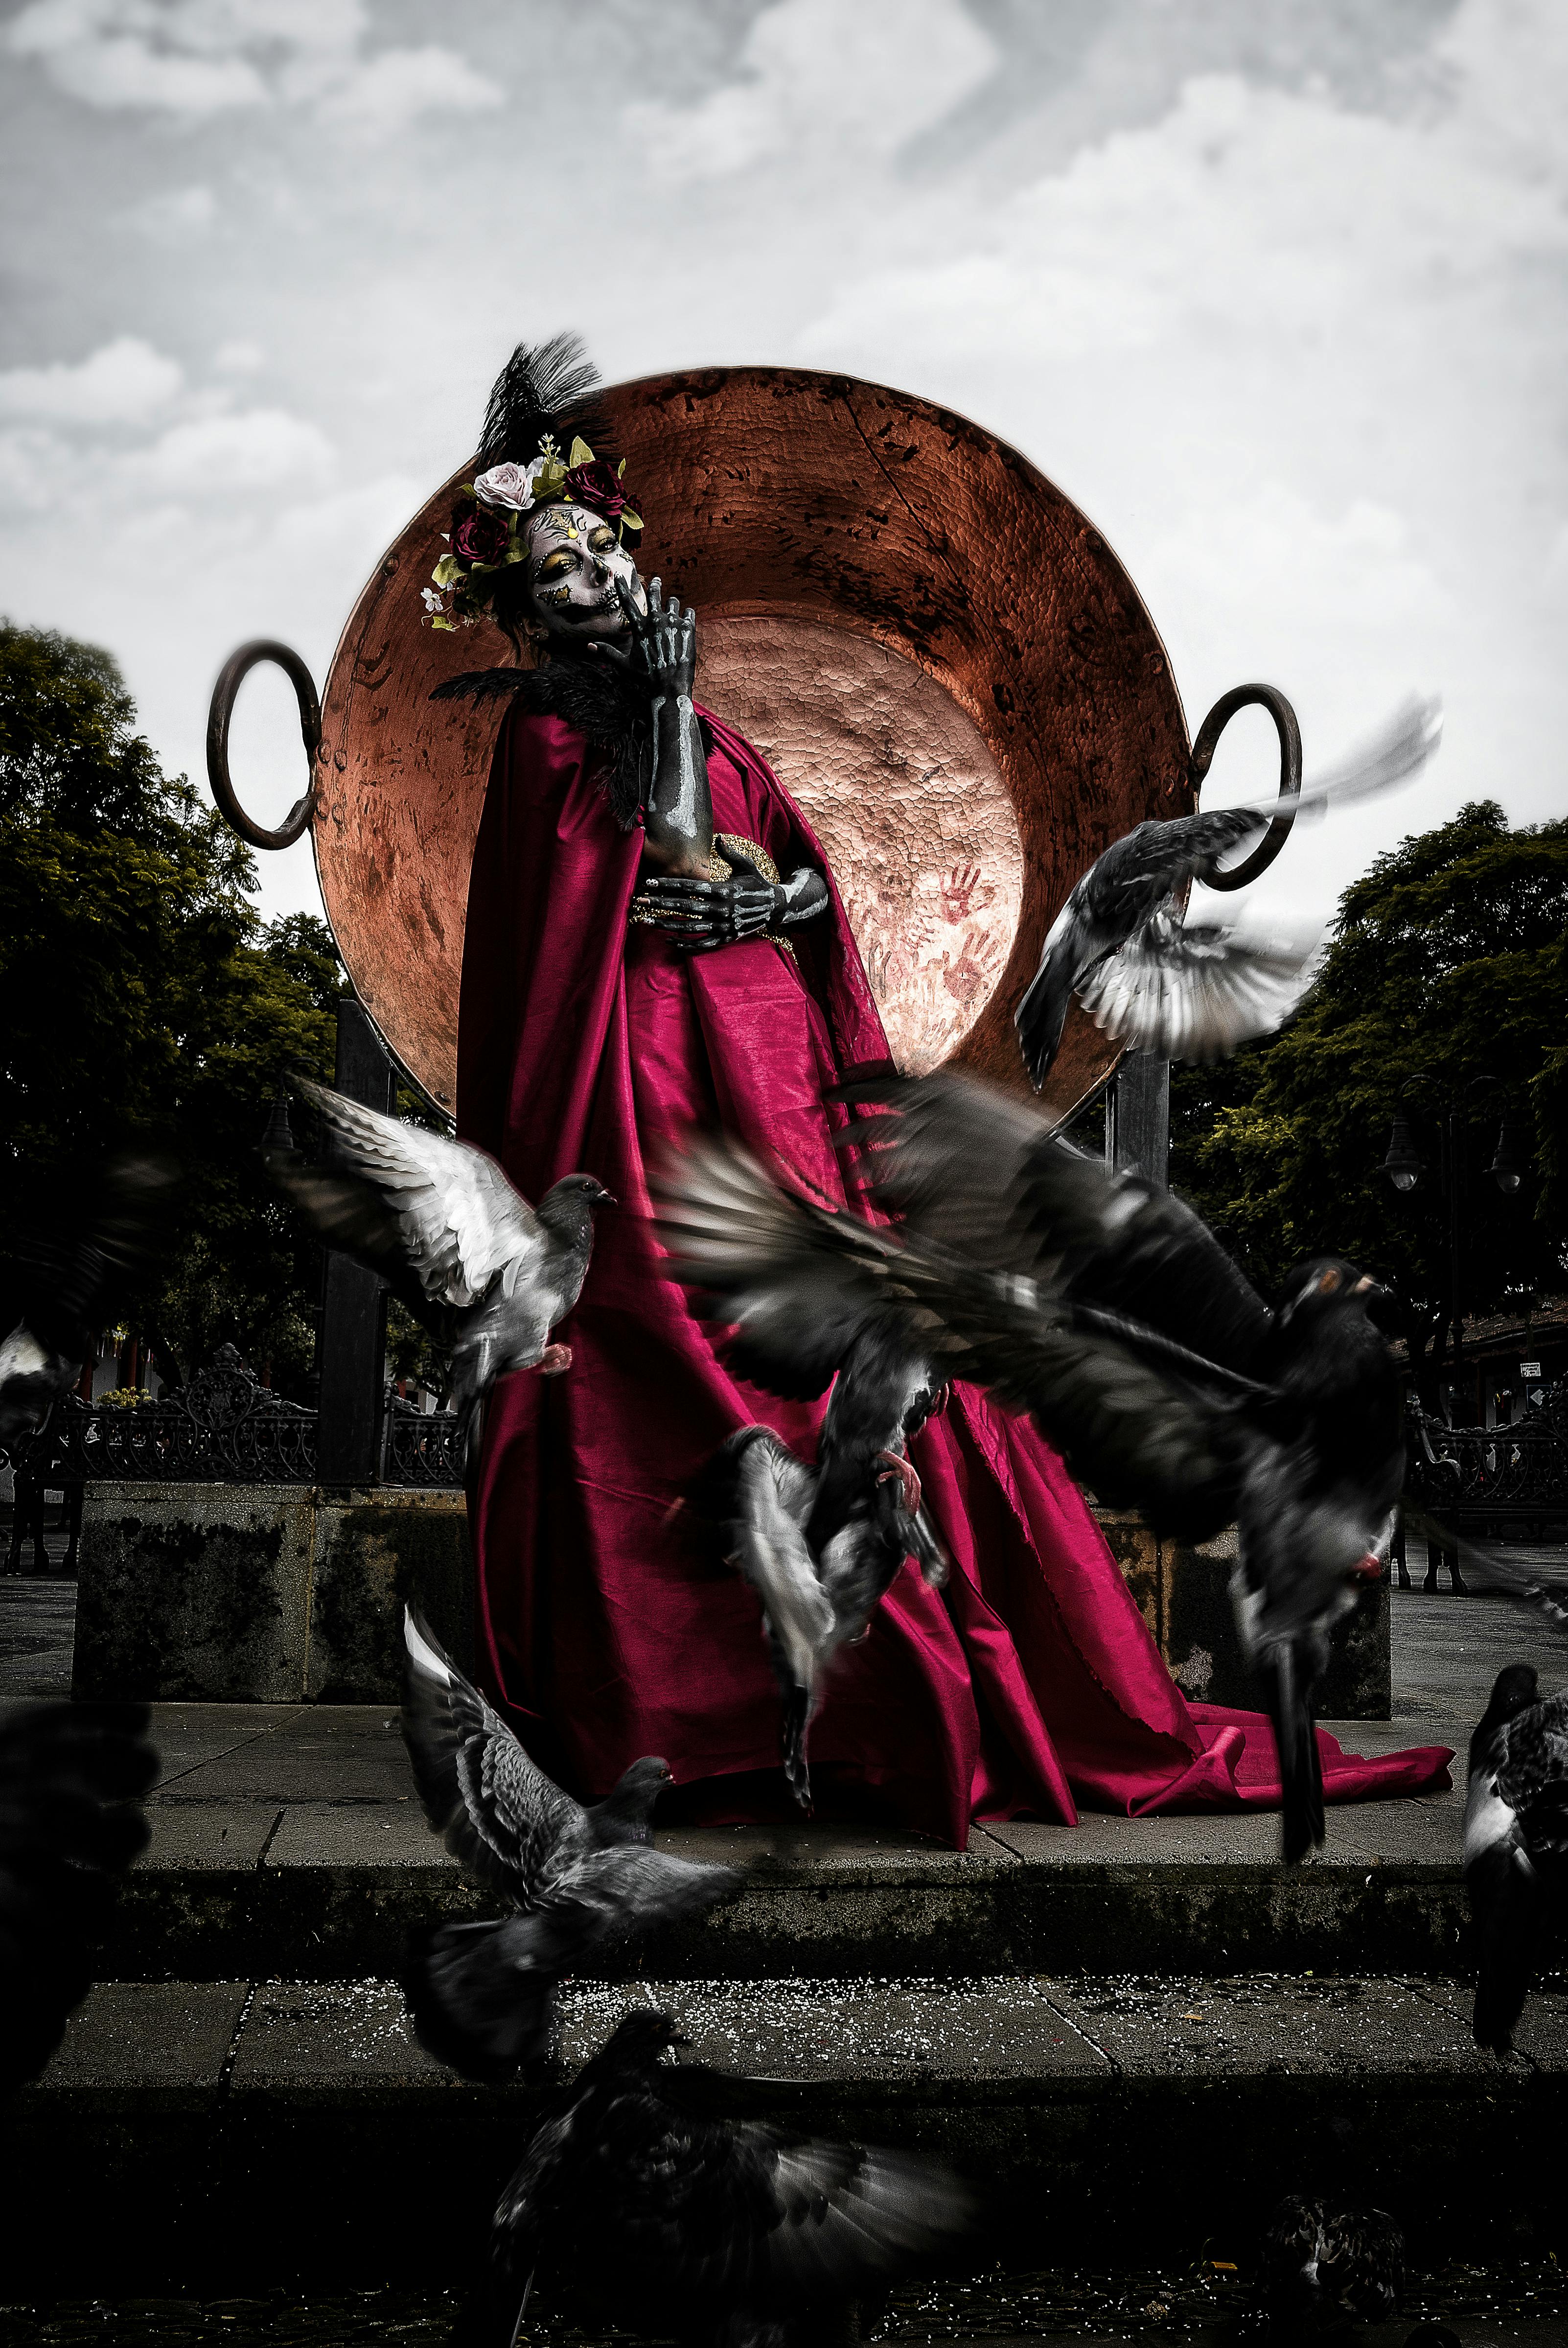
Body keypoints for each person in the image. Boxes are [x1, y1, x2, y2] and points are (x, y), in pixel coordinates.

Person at [440, 337, 1450, 1846]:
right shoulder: (551, 733)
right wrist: (661, 732)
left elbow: (786, 878)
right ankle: (709, 1711)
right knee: (677, 1325)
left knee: (864, 1329)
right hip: (641, 1083)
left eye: (599, 549)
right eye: (557, 569)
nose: (590, 578)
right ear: (523, 607)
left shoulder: (712, 724)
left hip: (771, 1059)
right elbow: (642, 869)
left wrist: (775, 910)